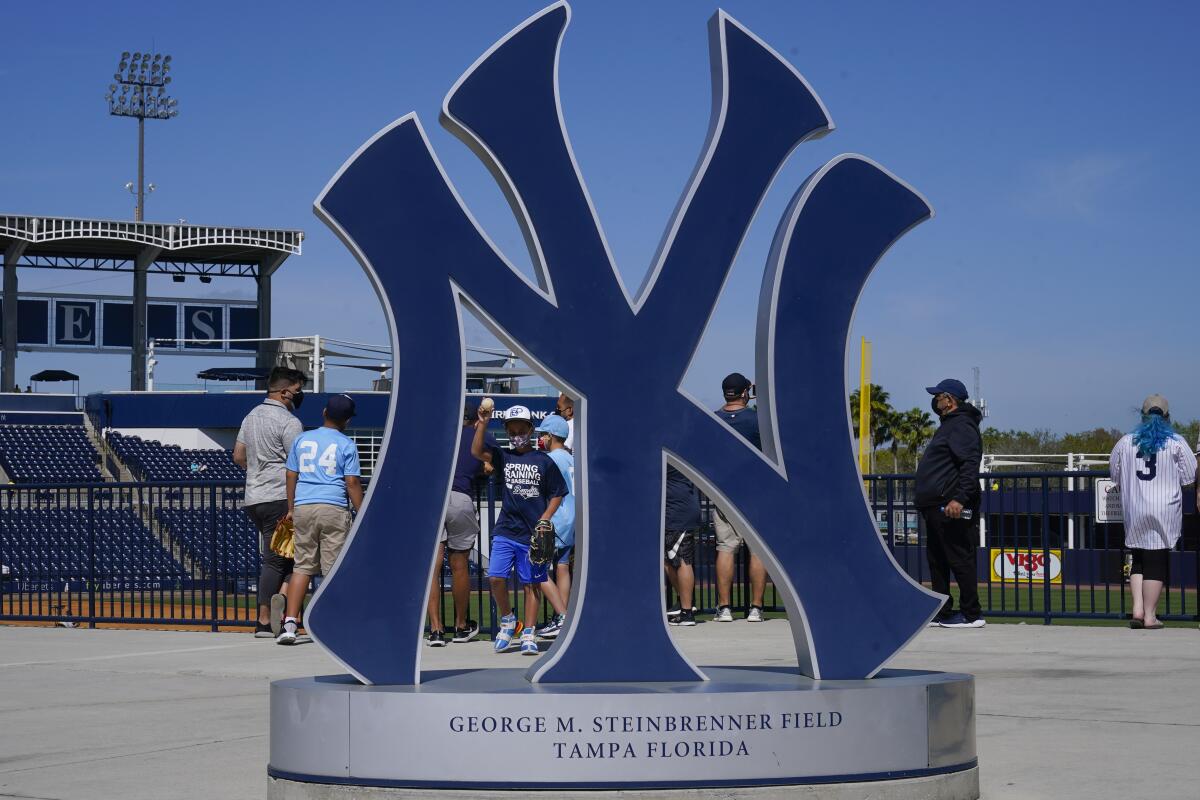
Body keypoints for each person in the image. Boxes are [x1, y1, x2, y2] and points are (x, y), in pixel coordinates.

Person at [471, 404, 567, 655]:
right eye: (511, 431)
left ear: (531, 430)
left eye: (521, 429)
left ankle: (529, 633)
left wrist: (545, 519)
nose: (516, 435)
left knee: (531, 585)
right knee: (495, 578)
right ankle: (507, 619)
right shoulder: (505, 456)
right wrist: (482, 422)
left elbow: (557, 493)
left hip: (532, 535)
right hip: (506, 529)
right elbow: (477, 451)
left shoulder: (543, 461)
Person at [277, 394, 364, 645]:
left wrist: (292, 507)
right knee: (332, 571)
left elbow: (291, 474)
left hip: (304, 506)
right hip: (333, 506)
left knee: (302, 567)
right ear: (347, 420)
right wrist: (361, 512)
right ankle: (332, 623)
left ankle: (290, 623)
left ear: (324, 412)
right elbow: (352, 482)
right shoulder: (346, 443)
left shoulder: (302, 439)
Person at [1110, 395, 1196, 630]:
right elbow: (1189, 475)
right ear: (1167, 417)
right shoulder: (1176, 441)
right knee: (1156, 561)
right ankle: (1149, 616)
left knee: (1138, 558)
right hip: (1164, 507)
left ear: (1142, 415)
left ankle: (1137, 609)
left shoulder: (1126, 441)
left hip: (1135, 506)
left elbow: (1114, 474)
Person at [233, 367, 305, 637]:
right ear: (285, 392)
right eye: (297, 391)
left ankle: (283, 605)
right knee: (279, 559)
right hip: (279, 496)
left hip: (254, 496)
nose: (298, 396)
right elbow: (298, 464)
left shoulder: (251, 416)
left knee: (286, 557)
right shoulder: (289, 422)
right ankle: (265, 619)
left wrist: (257, 469)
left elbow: (238, 455)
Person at [915, 378, 985, 628]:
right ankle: (943, 612)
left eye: (938, 396)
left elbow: (969, 463)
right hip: (935, 504)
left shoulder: (962, 425)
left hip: (950, 504)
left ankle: (971, 614)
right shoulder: (949, 425)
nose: (934, 401)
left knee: (959, 557)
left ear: (950, 399)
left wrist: (960, 498)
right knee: (937, 559)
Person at [426, 402, 488, 647]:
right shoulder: (478, 433)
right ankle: (461, 626)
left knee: (432, 567)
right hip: (460, 497)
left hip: (433, 498)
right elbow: (493, 460)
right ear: (475, 420)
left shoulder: (440, 434)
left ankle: (436, 630)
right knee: (460, 564)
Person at [712, 372, 768, 622]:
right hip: (756, 491)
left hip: (723, 490)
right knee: (758, 551)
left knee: (725, 548)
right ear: (746, 392)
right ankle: (755, 608)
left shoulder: (713, 420)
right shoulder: (757, 420)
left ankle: (724, 608)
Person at [533, 414, 573, 639]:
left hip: (556, 518)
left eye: (542, 435)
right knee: (563, 567)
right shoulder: (571, 458)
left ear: (550, 436)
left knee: (537, 569)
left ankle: (562, 615)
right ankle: (562, 619)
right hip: (573, 517)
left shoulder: (551, 459)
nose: (541, 439)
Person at [664, 465, 700, 627]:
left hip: (677, 512)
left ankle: (687, 612)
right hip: (680, 509)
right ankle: (684, 602)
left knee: (683, 560)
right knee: (669, 560)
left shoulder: (666, 453)